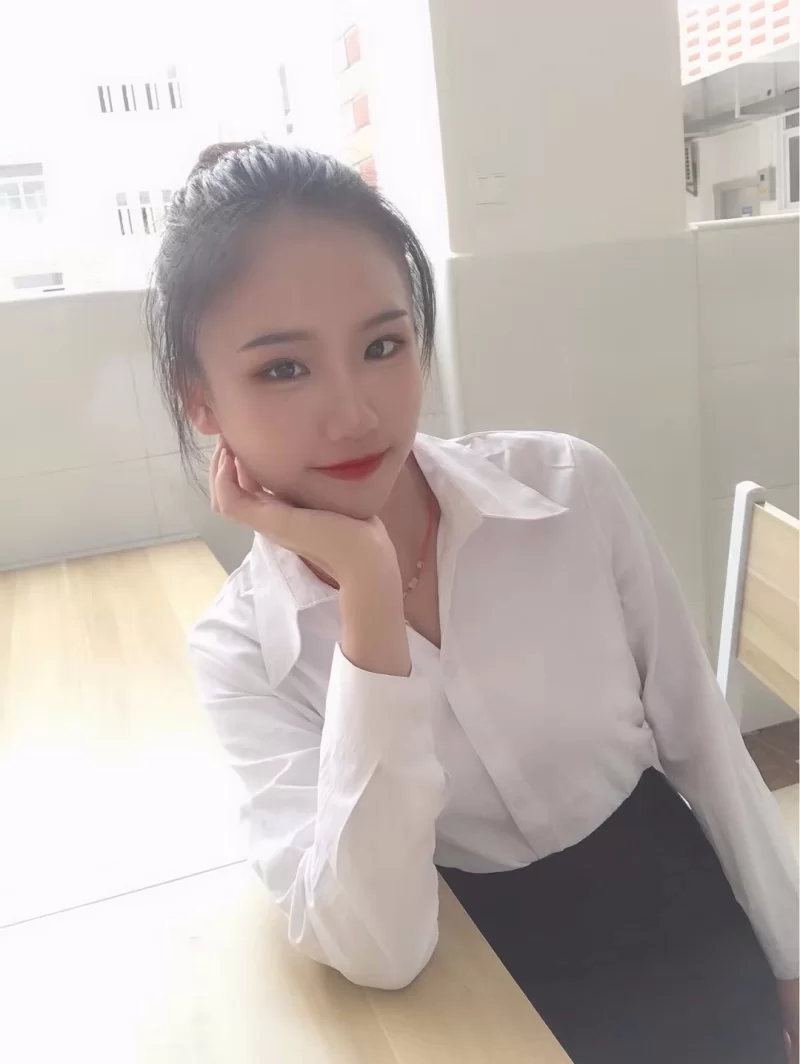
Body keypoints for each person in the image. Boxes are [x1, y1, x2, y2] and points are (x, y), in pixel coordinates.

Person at [146, 140, 798, 1064]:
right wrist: (369, 595)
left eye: (383, 346)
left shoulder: (567, 488)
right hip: (479, 981)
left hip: (678, 913)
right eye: (283, 368)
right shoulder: (243, 651)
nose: (354, 413)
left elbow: (704, 738)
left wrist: (790, 959)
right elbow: (380, 947)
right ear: (201, 402)